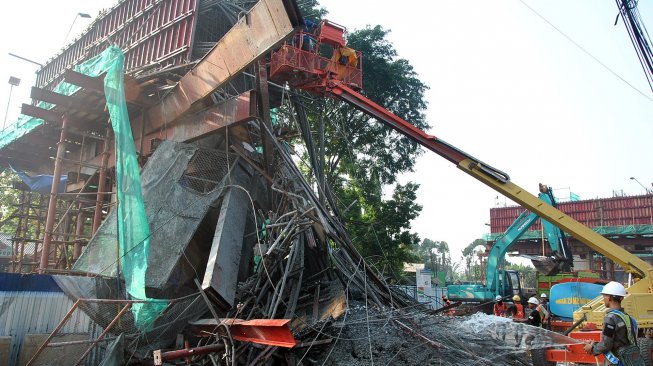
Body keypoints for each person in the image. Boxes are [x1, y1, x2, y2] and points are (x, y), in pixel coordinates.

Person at [583, 281, 644, 365]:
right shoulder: (627, 317)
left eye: (604, 296)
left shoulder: (610, 318)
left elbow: (607, 344)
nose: (603, 298)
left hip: (616, 362)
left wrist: (592, 349)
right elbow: (619, 340)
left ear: (610, 298)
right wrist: (595, 344)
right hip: (626, 361)